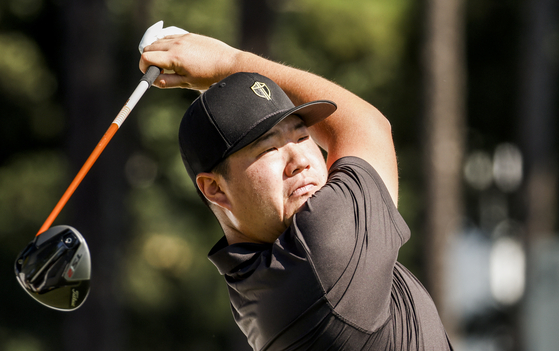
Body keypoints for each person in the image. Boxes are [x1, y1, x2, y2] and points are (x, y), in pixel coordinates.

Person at [139, 31, 453, 350]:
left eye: (302, 137)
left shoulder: (250, 277)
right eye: (268, 149)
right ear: (215, 188)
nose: (300, 160)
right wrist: (228, 62)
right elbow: (366, 126)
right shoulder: (321, 256)